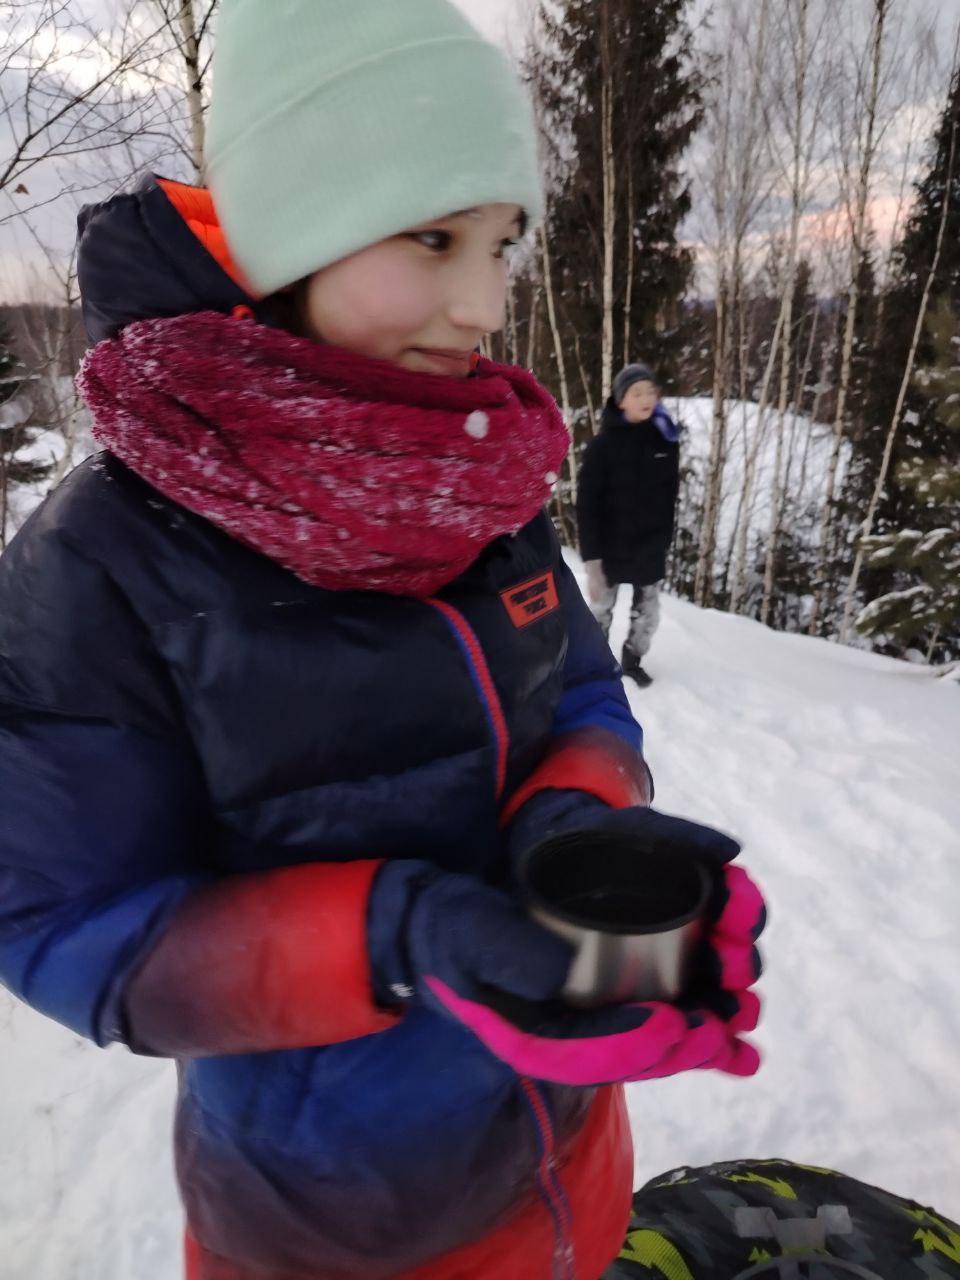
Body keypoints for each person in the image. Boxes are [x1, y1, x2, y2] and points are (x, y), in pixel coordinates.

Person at [0, 4, 765, 1278]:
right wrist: (402, 936)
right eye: (431, 236)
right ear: (292, 230)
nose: (483, 303)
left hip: (567, 1147)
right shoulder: (102, 563)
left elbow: (584, 686)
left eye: (503, 242)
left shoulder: (478, 473)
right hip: (335, 1225)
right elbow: (68, 926)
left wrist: (575, 824)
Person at [577, 363, 681, 687]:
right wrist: (592, 557)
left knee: (648, 613)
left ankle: (632, 661)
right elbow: (587, 504)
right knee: (600, 610)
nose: (646, 399)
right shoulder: (602, 447)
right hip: (609, 547)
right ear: (621, 400)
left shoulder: (665, 441)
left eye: (651, 392)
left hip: (649, 546)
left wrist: (663, 540)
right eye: (637, 393)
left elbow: (669, 496)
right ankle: (596, 665)